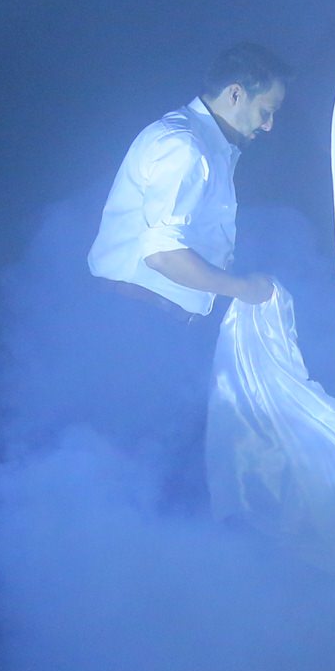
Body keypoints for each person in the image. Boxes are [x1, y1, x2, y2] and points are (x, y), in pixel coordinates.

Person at [88, 42, 288, 512]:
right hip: (138, 324)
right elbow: (162, 254)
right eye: (266, 110)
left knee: (164, 464)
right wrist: (243, 290)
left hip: (154, 324)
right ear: (235, 94)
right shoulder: (185, 146)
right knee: (144, 467)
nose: (269, 125)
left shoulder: (208, 144)